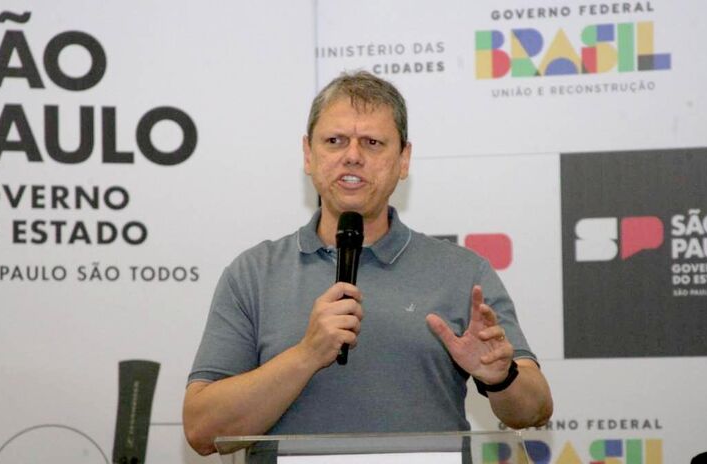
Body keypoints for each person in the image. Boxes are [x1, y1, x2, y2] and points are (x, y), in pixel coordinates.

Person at [183, 71, 553, 456]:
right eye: (335, 141)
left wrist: (501, 377)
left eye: (373, 143)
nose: (353, 156)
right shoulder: (252, 274)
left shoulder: (463, 273)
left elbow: (536, 409)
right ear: (309, 155)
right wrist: (307, 354)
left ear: (403, 159)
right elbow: (203, 430)